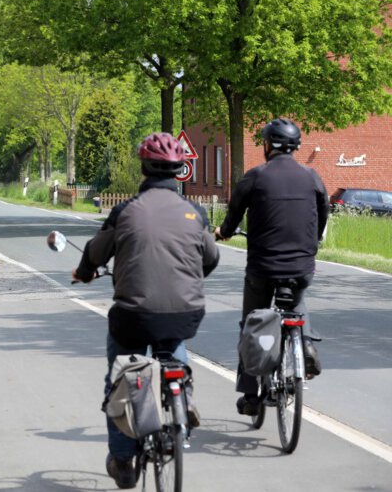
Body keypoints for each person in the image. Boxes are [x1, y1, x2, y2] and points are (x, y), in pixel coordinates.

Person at [73, 132, 220, 489]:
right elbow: (211, 258)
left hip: (133, 318)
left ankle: (123, 461)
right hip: (186, 312)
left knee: (121, 376)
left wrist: (85, 271)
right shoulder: (194, 212)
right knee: (172, 345)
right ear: (178, 169)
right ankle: (181, 391)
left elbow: (96, 252)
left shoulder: (126, 211)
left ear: (143, 168)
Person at [214, 117, 329, 416]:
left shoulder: (255, 177)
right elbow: (323, 212)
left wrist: (223, 232)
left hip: (262, 268)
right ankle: (304, 345)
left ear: (267, 145)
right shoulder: (312, 177)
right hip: (302, 266)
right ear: (296, 147)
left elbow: (234, 215)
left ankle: (251, 396)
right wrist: (312, 242)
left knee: (252, 322)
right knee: (297, 299)